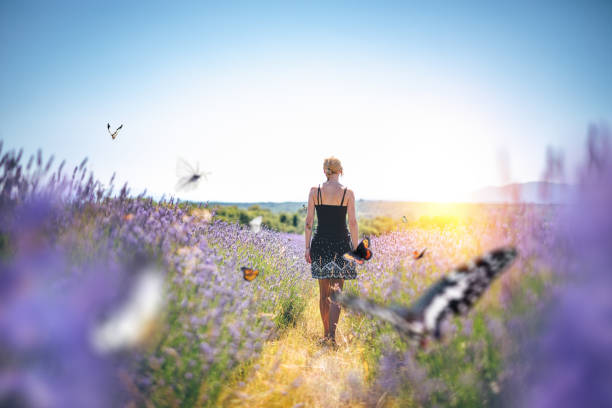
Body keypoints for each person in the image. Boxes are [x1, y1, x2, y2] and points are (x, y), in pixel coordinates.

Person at [304, 156, 358, 345]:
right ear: (340, 171)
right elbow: (352, 222)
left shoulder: (314, 192)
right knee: (337, 293)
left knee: (323, 294)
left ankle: (325, 335)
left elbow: (309, 222)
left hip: (320, 244)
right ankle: (333, 338)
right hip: (342, 245)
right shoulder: (348, 193)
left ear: (325, 171)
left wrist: (307, 247)